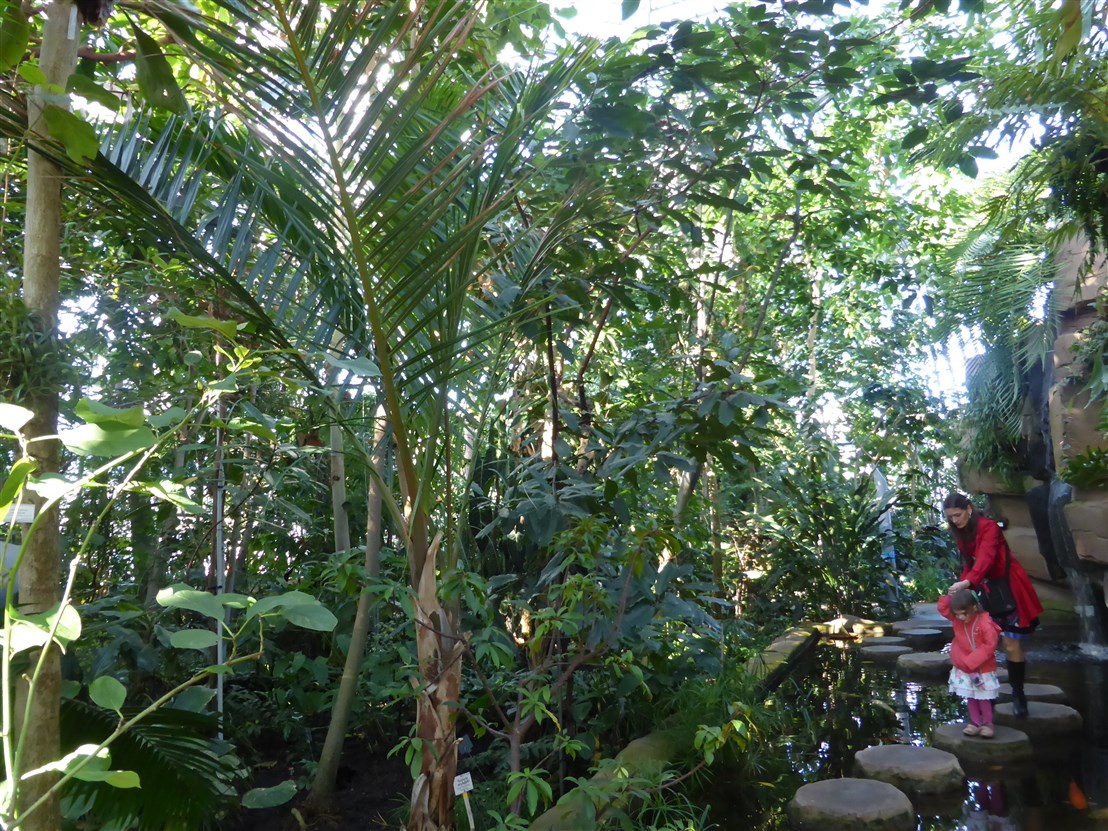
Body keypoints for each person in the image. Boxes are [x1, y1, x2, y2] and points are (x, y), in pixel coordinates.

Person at [943, 492, 1044, 717]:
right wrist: (962, 586)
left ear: (969, 509)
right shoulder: (962, 533)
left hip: (1009, 588)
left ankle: (1018, 694)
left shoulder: (989, 527)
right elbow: (970, 563)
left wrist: (968, 582)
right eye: (950, 517)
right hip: (986, 589)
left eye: (958, 515)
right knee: (983, 642)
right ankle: (987, 694)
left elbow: (986, 558)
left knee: (1011, 643)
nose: (955, 520)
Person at [939, 588, 1001, 737]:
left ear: (974, 607)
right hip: (965, 666)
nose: (960, 617)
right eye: (957, 614)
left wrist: (972, 661)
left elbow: (990, 644)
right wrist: (950, 597)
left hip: (982, 667)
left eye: (963, 613)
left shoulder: (984, 622)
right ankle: (975, 722)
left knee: (983, 696)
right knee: (970, 695)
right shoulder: (957, 619)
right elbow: (943, 608)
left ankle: (987, 723)